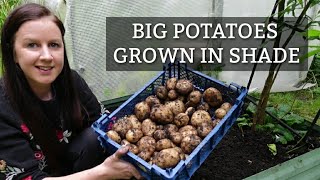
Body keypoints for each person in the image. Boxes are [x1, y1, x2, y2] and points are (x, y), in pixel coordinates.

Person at [0, 3, 142, 180]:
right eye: (32, 45)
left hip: (73, 168)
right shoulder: (3, 107)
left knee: (95, 134)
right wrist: (104, 173)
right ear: (13, 53)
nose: (46, 56)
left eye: (54, 45)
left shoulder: (71, 82)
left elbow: (104, 123)